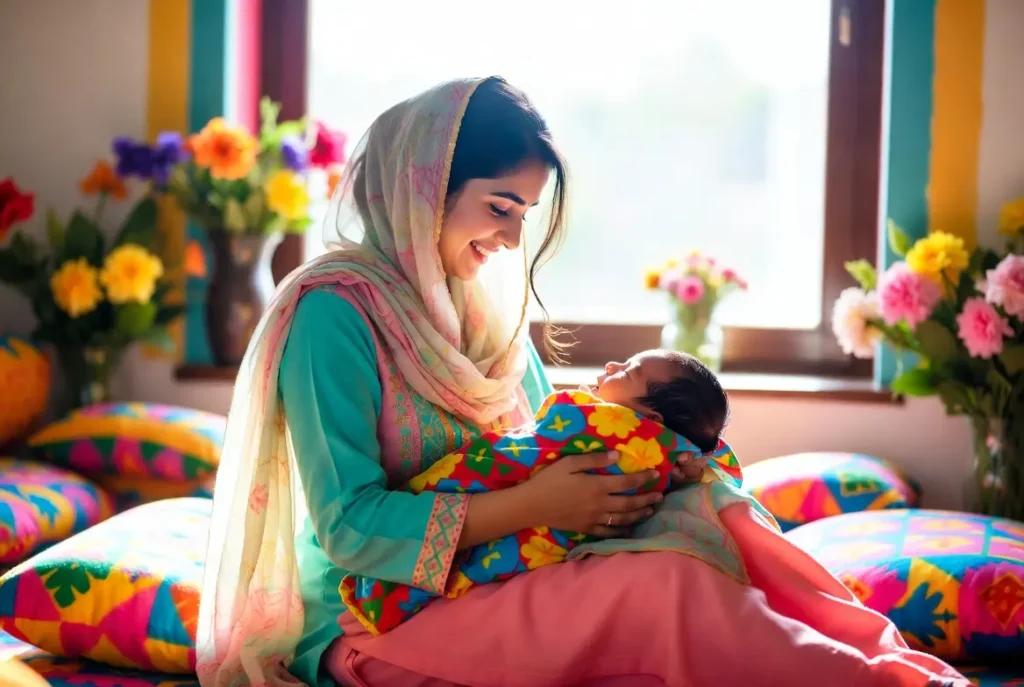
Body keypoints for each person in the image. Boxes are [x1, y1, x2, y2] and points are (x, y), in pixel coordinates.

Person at [196, 77, 969, 687]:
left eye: (523, 213)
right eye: (500, 207)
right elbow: (350, 528)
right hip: (377, 611)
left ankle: (884, 656)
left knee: (715, 516)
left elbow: (541, 436)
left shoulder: (483, 309)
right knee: (667, 589)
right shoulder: (335, 315)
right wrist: (537, 504)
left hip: (499, 574)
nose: (510, 237)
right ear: (423, 183)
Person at [339, 349, 741, 637]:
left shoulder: (619, 437)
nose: (611, 364)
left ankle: (385, 595)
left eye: (629, 372)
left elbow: (549, 430)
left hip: (533, 531)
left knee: (479, 558)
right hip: (525, 514)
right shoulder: (664, 457)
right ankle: (385, 595)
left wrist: (686, 462)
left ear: (649, 420)